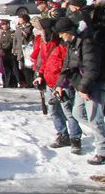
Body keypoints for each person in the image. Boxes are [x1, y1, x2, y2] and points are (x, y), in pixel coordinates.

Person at [58, 16, 105, 164]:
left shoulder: (88, 42)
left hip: (96, 84)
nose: (60, 37)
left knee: (95, 118)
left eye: (61, 33)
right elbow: (67, 65)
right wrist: (60, 84)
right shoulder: (73, 43)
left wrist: (84, 88)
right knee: (77, 113)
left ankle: (104, 153)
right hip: (83, 85)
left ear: (69, 31)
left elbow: (92, 68)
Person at [33, 20, 79, 152]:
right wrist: (40, 75)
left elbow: (67, 65)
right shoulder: (44, 44)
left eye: (41, 31)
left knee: (68, 112)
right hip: (49, 82)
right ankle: (63, 135)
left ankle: (76, 138)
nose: (38, 33)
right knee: (53, 111)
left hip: (62, 83)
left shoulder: (62, 46)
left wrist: (63, 82)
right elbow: (44, 62)